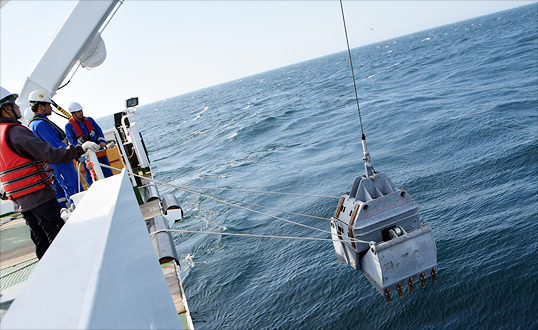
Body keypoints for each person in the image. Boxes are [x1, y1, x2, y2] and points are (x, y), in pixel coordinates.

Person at [0, 87, 100, 259]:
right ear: (7, 108)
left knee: (42, 243)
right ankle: (68, 274)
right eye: (14, 104)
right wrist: (79, 150)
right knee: (58, 239)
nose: (17, 108)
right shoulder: (15, 131)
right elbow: (49, 153)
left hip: (21, 201)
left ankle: (48, 280)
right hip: (39, 196)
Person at [27, 90, 83, 208]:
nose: (51, 108)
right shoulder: (40, 124)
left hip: (54, 164)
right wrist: (76, 151)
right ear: (41, 106)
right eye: (48, 105)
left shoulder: (36, 123)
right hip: (60, 163)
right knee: (74, 189)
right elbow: (56, 146)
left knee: (65, 191)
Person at [64, 101, 113, 186]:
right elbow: (72, 142)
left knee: (106, 170)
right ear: (73, 114)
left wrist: (102, 142)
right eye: (78, 111)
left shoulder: (90, 120)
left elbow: (99, 131)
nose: (81, 113)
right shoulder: (68, 127)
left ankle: (111, 185)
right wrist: (82, 150)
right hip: (85, 154)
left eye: (81, 111)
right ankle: (93, 189)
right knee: (91, 175)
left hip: (98, 149)